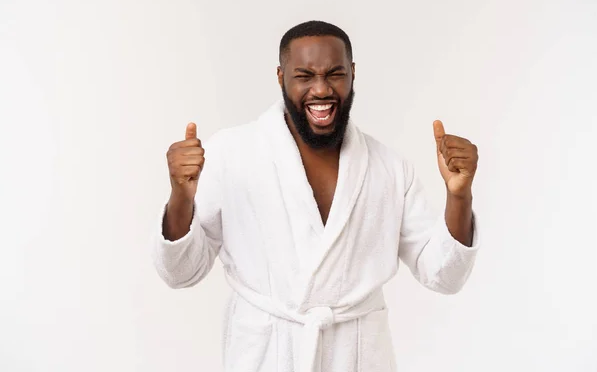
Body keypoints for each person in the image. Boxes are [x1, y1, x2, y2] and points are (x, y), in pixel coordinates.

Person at [152, 20, 480, 372]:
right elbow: (181, 272)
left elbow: (444, 276)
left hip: (357, 357)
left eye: (335, 74)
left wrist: (459, 197)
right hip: (265, 355)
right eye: (304, 76)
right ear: (281, 77)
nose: (321, 89)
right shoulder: (231, 154)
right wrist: (181, 196)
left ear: (353, 74)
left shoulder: (390, 168)